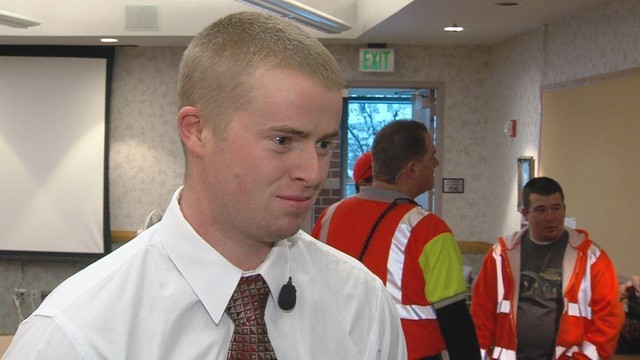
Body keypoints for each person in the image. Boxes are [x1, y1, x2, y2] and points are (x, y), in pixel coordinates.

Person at [3, 11, 406, 359]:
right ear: (196, 131)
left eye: (322, 144)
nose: (313, 172)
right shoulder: (76, 333)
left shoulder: (363, 306)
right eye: (283, 140)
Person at [312, 120, 481, 360]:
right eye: (432, 156)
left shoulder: (329, 216)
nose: (436, 163)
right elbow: (455, 322)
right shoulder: (429, 230)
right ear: (412, 169)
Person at [471, 176, 625, 360]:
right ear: (525, 214)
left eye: (556, 208)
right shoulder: (501, 255)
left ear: (564, 209)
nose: (550, 217)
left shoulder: (591, 257)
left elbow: (609, 318)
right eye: (541, 210)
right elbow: (481, 314)